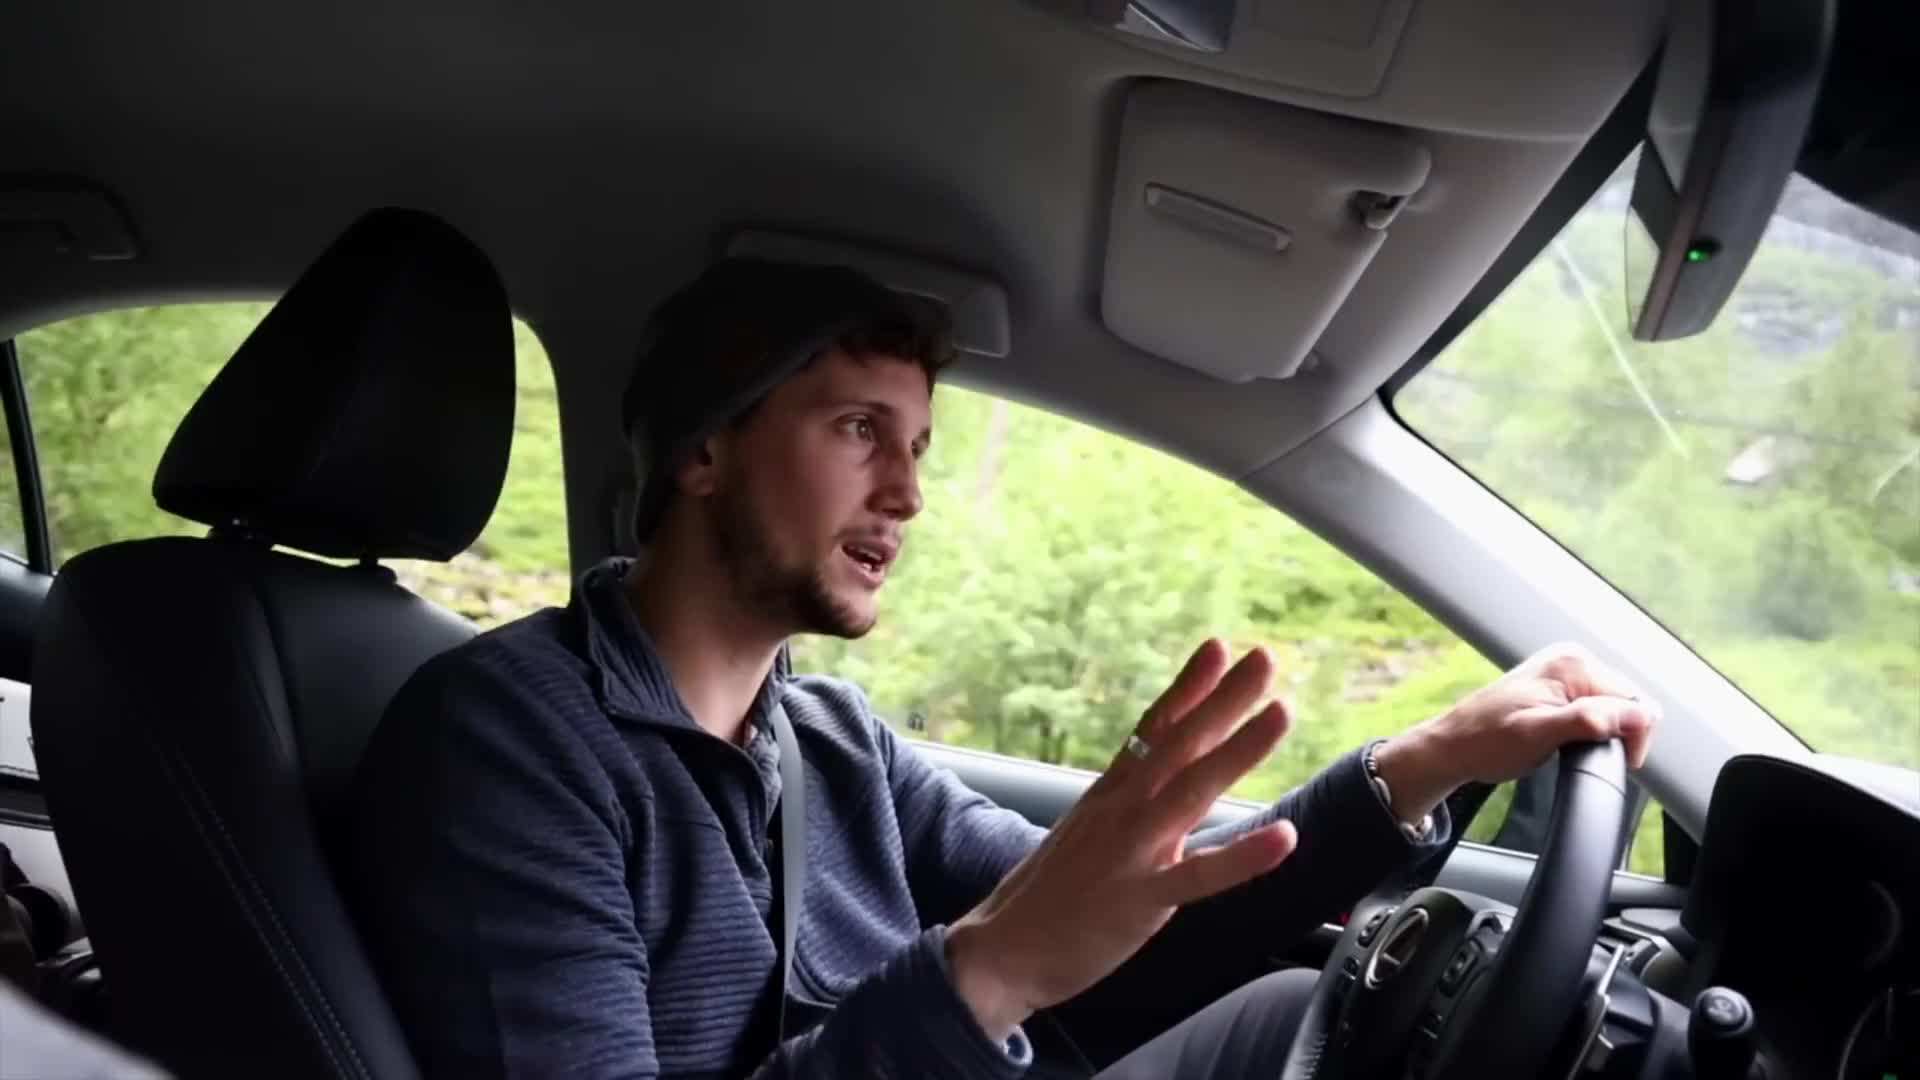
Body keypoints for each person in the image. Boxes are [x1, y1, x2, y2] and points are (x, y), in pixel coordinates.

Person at [348, 259, 1658, 1079]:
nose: (909, 492)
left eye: (917, 445)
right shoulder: (512, 740)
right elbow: (1025, 946)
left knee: (1296, 1011)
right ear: (702, 452)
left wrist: (1421, 764)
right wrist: (987, 974)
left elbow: (1129, 909)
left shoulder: (829, 742)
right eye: (861, 429)